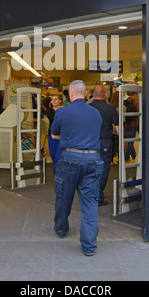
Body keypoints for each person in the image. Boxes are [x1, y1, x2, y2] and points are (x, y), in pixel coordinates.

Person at [51, 80, 103, 256]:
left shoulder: (62, 112)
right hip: (93, 160)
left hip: (70, 159)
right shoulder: (96, 113)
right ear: (86, 93)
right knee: (89, 202)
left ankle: (61, 229)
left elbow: (54, 134)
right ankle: (89, 245)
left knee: (64, 196)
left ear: (70, 94)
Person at [90, 85, 119, 205]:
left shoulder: (88, 108)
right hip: (105, 143)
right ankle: (98, 196)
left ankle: (90, 195)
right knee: (103, 170)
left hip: (89, 142)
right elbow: (118, 129)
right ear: (105, 94)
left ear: (93, 94)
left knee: (90, 169)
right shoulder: (111, 109)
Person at [46, 94, 63, 174]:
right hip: (52, 136)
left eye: (56, 99)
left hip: (62, 136)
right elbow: (53, 119)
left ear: (60, 100)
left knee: (58, 157)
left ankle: (60, 173)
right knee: (53, 156)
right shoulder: (49, 110)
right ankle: (56, 173)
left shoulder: (64, 110)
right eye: (52, 99)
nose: (54, 101)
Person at [124, 92, 139, 162]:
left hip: (126, 123)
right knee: (131, 141)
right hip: (133, 123)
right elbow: (138, 113)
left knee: (129, 139)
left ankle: (134, 155)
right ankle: (126, 157)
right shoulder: (136, 103)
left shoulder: (124, 101)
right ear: (134, 94)